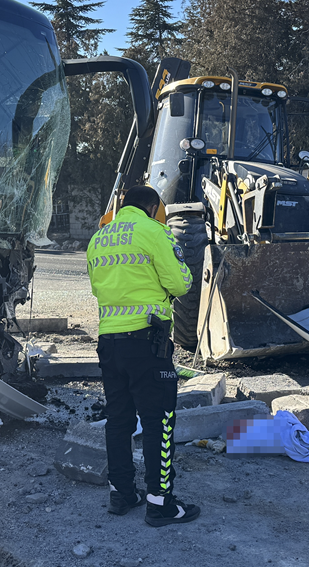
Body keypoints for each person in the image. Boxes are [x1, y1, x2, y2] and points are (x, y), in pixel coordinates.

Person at [85, 185, 200, 527]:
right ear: (153, 207)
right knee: (158, 421)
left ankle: (122, 493)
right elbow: (181, 283)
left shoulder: (99, 238)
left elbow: (98, 288)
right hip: (147, 344)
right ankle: (160, 503)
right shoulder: (154, 231)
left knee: (118, 420)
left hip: (109, 343)